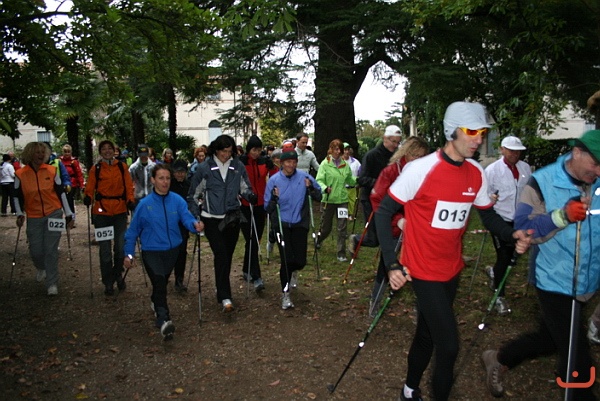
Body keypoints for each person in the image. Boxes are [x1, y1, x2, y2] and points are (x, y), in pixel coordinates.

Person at [375, 102, 531, 401]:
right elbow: (383, 212)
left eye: (482, 132)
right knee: (449, 345)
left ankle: (409, 390)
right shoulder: (420, 169)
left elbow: (488, 215)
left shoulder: (475, 172)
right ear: (452, 131)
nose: (478, 139)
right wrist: (392, 264)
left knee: (427, 334)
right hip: (421, 269)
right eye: (472, 132)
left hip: (451, 269)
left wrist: (512, 234)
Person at [482, 129, 600, 400]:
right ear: (577, 152)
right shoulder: (541, 182)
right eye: (595, 163)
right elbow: (523, 228)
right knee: (578, 359)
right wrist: (562, 216)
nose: (598, 171)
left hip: (588, 278)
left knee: (550, 338)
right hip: (554, 279)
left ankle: (499, 358)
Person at [124, 164, 203, 340]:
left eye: (167, 178)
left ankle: (156, 301)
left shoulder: (177, 200)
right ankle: (164, 319)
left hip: (172, 251)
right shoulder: (144, 205)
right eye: (161, 178)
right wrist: (128, 254)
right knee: (159, 281)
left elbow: (186, 217)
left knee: (161, 283)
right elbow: (132, 232)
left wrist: (195, 225)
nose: (165, 182)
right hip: (151, 251)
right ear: (153, 180)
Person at [187, 134, 257, 312]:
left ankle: (221, 287)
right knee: (221, 254)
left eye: (229, 151)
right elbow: (193, 195)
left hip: (232, 217)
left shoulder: (237, 166)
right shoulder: (204, 168)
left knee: (228, 255)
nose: (226, 155)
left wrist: (250, 195)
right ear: (216, 150)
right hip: (211, 217)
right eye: (223, 151)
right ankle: (225, 296)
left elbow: (244, 187)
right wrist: (196, 216)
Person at [367, 136, 429, 317]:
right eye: (415, 155)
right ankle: (375, 301)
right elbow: (378, 202)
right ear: (406, 153)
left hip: (417, 228)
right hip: (394, 228)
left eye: (422, 157)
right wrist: (398, 220)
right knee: (387, 264)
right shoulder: (390, 172)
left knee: (419, 267)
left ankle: (422, 307)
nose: (417, 160)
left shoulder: (426, 174)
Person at [264, 143, 322, 309]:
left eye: (294, 162)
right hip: (281, 224)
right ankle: (285, 294)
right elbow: (267, 207)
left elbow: (319, 196)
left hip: (299, 223)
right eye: (288, 162)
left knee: (300, 261)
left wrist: (311, 189)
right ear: (281, 163)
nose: (291, 165)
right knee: (286, 259)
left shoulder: (304, 177)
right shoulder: (274, 181)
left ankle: (294, 271)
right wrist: (274, 199)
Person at [14, 142, 74, 295]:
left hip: (54, 213)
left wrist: (68, 214)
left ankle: (52, 283)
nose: (41, 155)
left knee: (51, 249)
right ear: (30, 154)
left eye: (43, 152)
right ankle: (41, 267)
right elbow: (16, 196)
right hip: (33, 216)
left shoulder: (52, 170)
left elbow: (61, 193)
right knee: (35, 250)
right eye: (37, 152)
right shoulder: (20, 174)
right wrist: (19, 213)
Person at [483, 136, 532, 315]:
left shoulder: (525, 168)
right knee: (504, 256)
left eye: (518, 151)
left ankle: (494, 273)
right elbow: (483, 195)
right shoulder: (492, 170)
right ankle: (499, 295)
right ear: (502, 150)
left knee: (514, 255)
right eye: (511, 150)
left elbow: (530, 191)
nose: (514, 154)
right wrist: (490, 198)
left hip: (520, 219)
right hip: (500, 219)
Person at [84, 140, 135, 296]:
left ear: (114, 150)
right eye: (104, 149)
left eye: (109, 148)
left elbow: (128, 185)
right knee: (105, 250)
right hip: (102, 212)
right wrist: (87, 196)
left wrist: (130, 200)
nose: (107, 151)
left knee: (120, 247)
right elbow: (90, 186)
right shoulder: (96, 169)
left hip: (119, 210)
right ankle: (108, 281)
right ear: (100, 152)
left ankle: (117, 274)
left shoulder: (122, 167)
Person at [351, 125, 402, 251]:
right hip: (370, 199)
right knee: (373, 239)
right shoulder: (371, 155)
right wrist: (381, 183)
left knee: (388, 234)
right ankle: (356, 239)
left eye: (398, 142)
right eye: (393, 141)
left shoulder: (397, 157)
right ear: (385, 138)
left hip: (388, 200)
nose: (395, 145)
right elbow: (362, 179)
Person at [239, 135, 278, 291]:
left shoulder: (264, 161)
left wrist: (272, 167)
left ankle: (246, 269)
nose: (256, 153)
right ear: (248, 149)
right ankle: (257, 276)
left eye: (259, 150)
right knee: (251, 239)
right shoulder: (241, 162)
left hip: (261, 205)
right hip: (245, 205)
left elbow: (276, 176)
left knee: (255, 240)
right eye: (254, 150)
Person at [315, 139, 357, 262]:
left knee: (342, 227)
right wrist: (324, 188)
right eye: (336, 149)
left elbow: (350, 180)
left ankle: (341, 252)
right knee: (326, 228)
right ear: (331, 149)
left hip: (342, 200)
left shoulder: (345, 165)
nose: (338, 152)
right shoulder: (325, 164)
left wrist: (360, 180)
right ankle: (319, 239)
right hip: (328, 200)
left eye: (340, 149)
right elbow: (319, 180)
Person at [169, 160, 192, 292]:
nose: (180, 174)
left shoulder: (188, 185)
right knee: (169, 250)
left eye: (182, 172)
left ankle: (179, 279)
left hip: (183, 223)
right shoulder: (168, 185)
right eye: (177, 172)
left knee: (182, 251)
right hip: (170, 222)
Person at [59, 144, 85, 221]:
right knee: (63, 200)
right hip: (62, 183)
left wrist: (81, 185)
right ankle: (66, 216)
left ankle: (72, 217)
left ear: (71, 152)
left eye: (68, 152)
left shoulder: (74, 162)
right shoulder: (59, 161)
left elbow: (79, 174)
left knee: (69, 200)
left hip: (72, 184)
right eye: (65, 152)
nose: (67, 153)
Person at [129, 144, 156, 208]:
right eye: (141, 155)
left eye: (145, 155)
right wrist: (130, 198)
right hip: (138, 197)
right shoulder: (133, 168)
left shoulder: (154, 167)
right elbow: (129, 183)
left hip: (152, 196)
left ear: (148, 154)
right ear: (138, 154)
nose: (143, 157)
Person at [342, 142, 361, 221]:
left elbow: (360, 172)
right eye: (344, 150)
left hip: (352, 186)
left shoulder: (356, 162)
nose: (346, 152)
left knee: (352, 201)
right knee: (343, 201)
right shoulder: (338, 161)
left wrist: (358, 181)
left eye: (347, 150)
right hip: (342, 187)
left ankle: (350, 214)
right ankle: (343, 215)